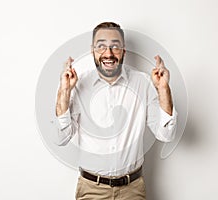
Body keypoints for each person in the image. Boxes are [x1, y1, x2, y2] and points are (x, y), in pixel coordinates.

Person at [55, 22, 177, 200]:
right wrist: (64, 91)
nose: (108, 53)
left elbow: (166, 135)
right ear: (93, 51)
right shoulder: (78, 85)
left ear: (124, 51)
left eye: (115, 47)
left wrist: (163, 89)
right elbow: (61, 138)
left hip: (133, 190)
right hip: (91, 190)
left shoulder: (143, 83)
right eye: (101, 46)